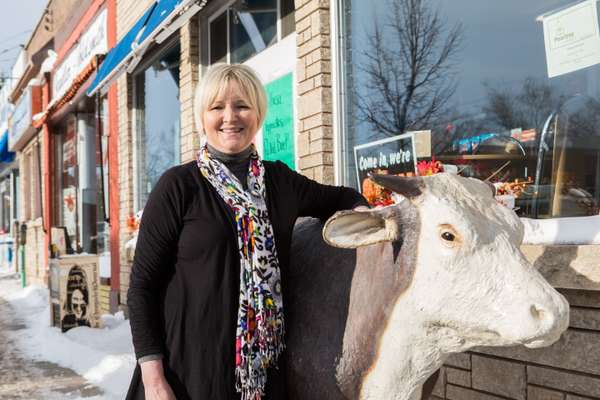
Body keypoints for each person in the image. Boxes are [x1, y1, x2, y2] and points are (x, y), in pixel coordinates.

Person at [126, 63, 368, 400]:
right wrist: (153, 379)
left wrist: (368, 215)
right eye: (217, 107)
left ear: (257, 113)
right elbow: (141, 288)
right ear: (202, 116)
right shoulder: (178, 187)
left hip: (263, 376)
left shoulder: (280, 181)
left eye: (241, 105)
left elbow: (342, 197)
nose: (230, 117)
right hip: (187, 375)